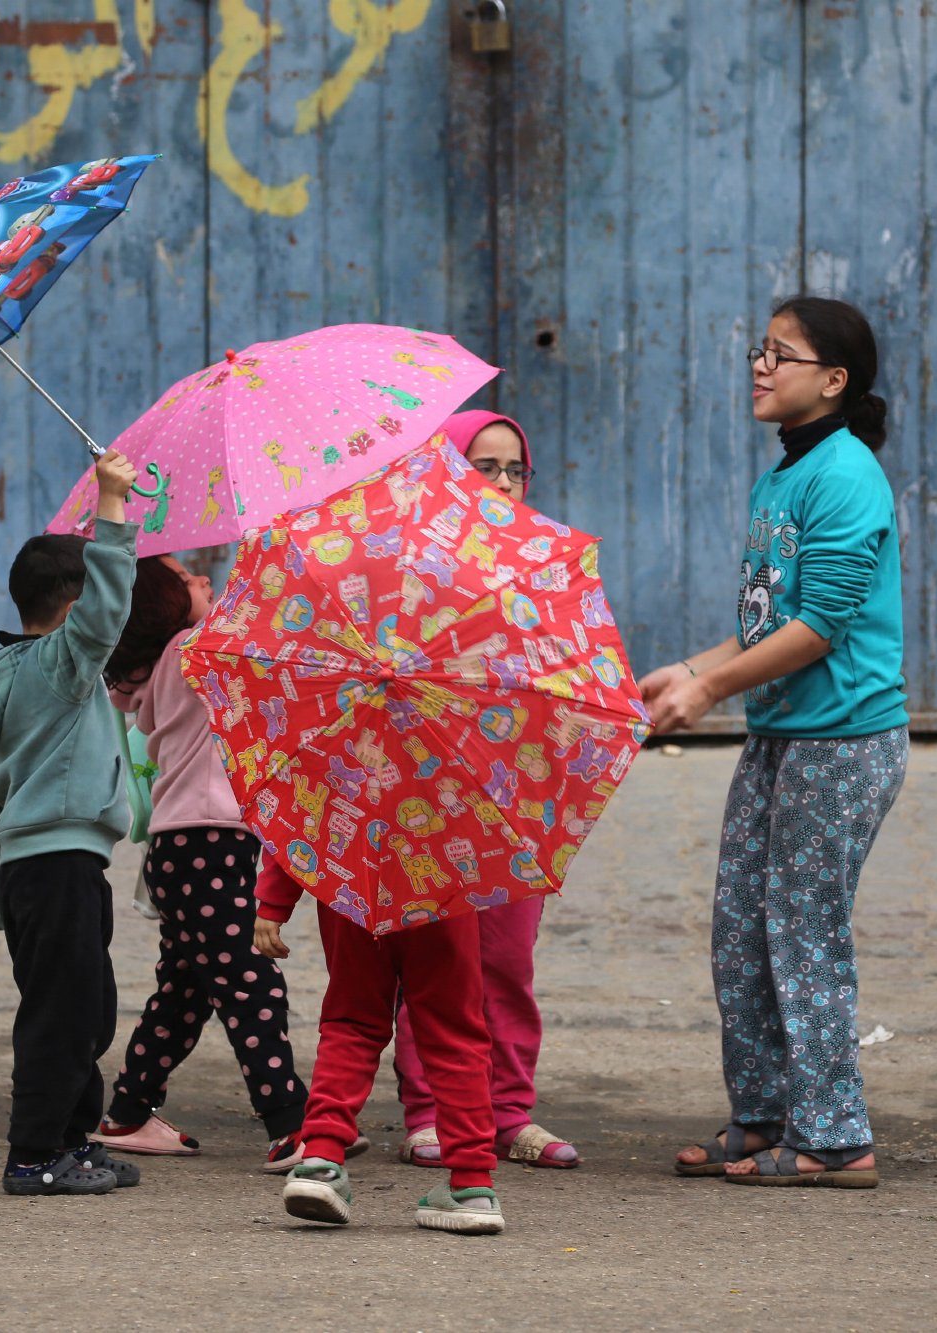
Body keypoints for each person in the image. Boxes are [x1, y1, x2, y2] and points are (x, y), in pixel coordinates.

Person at [640, 296, 909, 1188]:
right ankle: (763, 1115)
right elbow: (766, 624)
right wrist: (684, 667)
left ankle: (835, 1137)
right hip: (783, 734)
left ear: (832, 381)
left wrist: (709, 689)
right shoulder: (783, 475)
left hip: (843, 741)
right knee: (739, 928)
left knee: (802, 932)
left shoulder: (843, 476)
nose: (759, 366)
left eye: (780, 355)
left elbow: (822, 624)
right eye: (759, 350)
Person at [392, 410, 580, 1170]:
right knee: (439, 962)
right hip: (431, 793)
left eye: (513, 469)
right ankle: (431, 1108)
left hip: (518, 792)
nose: (501, 482)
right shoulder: (412, 561)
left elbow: (576, 665)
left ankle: (508, 1110)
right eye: (483, 465)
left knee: (507, 959)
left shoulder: (547, 563)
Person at [88, 554, 314, 1171]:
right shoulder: (195, 647)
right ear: (164, 606)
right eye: (187, 579)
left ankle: (129, 1112)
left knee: (185, 991)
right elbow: (263, 614)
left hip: (185, 848)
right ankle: (292, 1126)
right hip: (210, 843)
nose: (204, 579)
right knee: (250, 982)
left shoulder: (164, 663)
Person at [0, 447, 142, 1197]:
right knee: (63, 1016)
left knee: (86, 1009)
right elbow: (107, 607)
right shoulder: (64, 668)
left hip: (38, 869)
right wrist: (112, 502)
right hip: (58, 865)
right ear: (70, 612)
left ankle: (71, 1144)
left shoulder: (0, 681)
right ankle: (32, 1155)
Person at [254, 857, 505, 1234]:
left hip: (352, 890)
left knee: (351, 1023)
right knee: (455, 1035)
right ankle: (472, 1185)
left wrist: (274, 903)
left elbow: (299, 819)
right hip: (444, 894)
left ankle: (321, 1161)